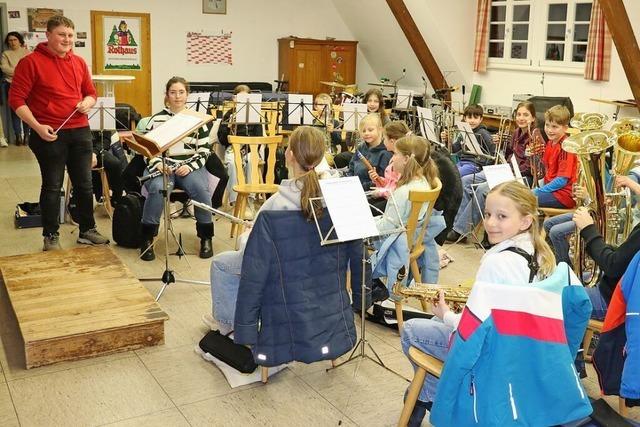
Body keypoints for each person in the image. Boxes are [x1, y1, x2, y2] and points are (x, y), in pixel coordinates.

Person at [400, 181, 557, 426]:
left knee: (410, 329)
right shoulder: (541, 253)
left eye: (501, 216)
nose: (490, 223)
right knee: (431, 322)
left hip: (491, 355)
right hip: (522, 349)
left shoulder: (497, 262)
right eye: (487, 214)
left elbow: (472, 331)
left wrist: (446, 315)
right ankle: (424, 398)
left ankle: (433, 399)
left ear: (525, 221)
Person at [207, 126, 334, 333]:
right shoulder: (331, 192)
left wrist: (249, 233)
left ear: (290, 155)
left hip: (280, 267)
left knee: (221, 263)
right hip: (317, 265)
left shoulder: (277, 202)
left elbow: (252, 252)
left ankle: (228, 325)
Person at [9, 15, 109, 251]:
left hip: (80, 131)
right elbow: (16, 100)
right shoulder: (30, 62)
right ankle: (50, 235)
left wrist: (87, 101)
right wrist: (37, 127)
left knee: (85, 185)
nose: (67, 39)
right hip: (48, 133)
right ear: (49, 35)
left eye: (71, 35)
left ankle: (86, 230)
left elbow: (91, 93)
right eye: (62, 34)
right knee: (52, 186)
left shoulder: (79, 63)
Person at [137, 76, 217, 261]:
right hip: (162, 166)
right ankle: (148, 237)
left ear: (187, 95)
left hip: (189, 168)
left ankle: (206, 237)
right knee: (158, 188)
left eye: (181, 92)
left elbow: (204, 151)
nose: (177, 96)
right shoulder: (156, 119)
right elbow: (147, 151)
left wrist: (189, 166)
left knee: (200, 189)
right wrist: (158, 164)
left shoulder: (198, 120)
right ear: (166, 95)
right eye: (173, 92)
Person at [365, 134, 443, 301]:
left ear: (407, 159)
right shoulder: (424, 181)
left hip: (397, 240)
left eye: (395, 154)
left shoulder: (403, 192)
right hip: (413, 236)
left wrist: (363, 226)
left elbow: (387, 226)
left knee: (352, 242)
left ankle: (368, 286)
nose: (392, 159)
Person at [445, 102, 537, 244]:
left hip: (522, 177)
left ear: (533, 118)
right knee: (466, 181)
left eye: (526, 115)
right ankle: (456, 224)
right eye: (519, 114)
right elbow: (507, 156)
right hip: (508, 171)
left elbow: (531, 168)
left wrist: (510, 169)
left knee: (483, 189)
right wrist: (501, 144)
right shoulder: (516, 133)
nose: (521, 118)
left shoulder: (535, 137)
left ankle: (459, 231)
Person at [574, 173, 640, 320]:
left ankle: (568, 341)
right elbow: (623, 259)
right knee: (572, 277)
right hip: (619, 288)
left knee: (558, 297)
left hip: (616, 301)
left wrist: (588, 229)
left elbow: (613, 266)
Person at [217, 84, 264, 205]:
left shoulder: (255, 114)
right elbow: (222, 140)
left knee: (250, 161)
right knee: (233, 163)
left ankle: (250, 198)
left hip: (250, 149)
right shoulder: (229, 115)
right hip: (233, 148)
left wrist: (246, 149)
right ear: (234, 99)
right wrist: (228, 128)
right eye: (240, 98)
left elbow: (258, 139)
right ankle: (235, 200)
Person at [533, 105, 577, 208]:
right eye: (547, 125)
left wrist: (539, 191)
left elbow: (561, 181)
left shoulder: (566, 147)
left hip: (563, 195)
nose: (549, 130)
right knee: (519, 194)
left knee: (522, 199)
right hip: (552, 189)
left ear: (565, 128)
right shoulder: (550, 142)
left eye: (554, 127)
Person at [441, 104, 494, 177]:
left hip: (475, 165)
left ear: (481, 119)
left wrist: (484, 169)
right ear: (465, 118)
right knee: (444, 173)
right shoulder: (464, 131)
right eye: (469, 117)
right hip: (462, 161)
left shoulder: (483, 133)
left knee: (453, 176)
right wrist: (448, 140)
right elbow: (455, 149)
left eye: (475, 118)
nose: (472, 120)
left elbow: (493, 152)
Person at [1, 31, 30, 146]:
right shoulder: (5, 54)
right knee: (15, 111)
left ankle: (27, 136)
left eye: (14, 40)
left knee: (27, 111)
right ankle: (18, 137)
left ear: (19, 41)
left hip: (27, 86)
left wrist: (15, 72)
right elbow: (4, 68)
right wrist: (20, 72)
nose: (12, 42)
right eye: (10, 41)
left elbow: (30, 70)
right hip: (11, 85)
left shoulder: (27, 53)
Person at [369, 120, 410, 198]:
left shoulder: (400, 162)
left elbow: (396, 189)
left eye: (384, 139)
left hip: (394, 202)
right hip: (389, 197)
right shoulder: (394, 157)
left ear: (392, 141)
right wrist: (377, 179)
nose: (383, 141)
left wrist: (380, 193)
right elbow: (390, 183)